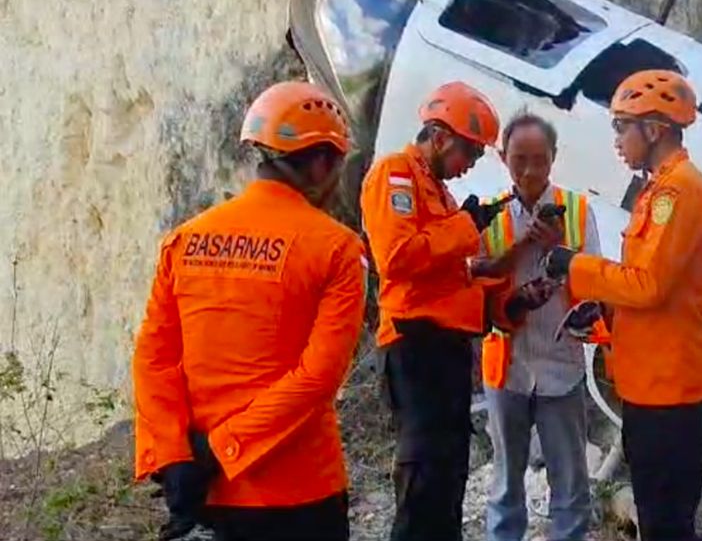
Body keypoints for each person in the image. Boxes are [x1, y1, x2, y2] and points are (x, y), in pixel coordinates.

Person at [132, 81, 366, 541]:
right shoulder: (336, 248)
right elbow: (317, 378)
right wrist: (223, 449)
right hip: (298, 490)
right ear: (321, 162)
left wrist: (176, 456)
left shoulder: (185, 239)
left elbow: (154, 359)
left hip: (208, 493)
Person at [360, 81, 554, 541]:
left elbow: (451, 276)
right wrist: (466, 225)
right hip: (415, 344)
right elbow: (399, 257)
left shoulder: (440, 196)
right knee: (425, 475)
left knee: (448, 475)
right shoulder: (396, 174)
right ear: (441, 137)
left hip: (445, 350)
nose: (468, 167)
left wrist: (512, 294)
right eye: (468, 153)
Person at [544, 70, 702, 541]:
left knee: (665, 525)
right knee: (660, 519)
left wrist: (575, 268)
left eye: (622, 126)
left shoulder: (678, 191)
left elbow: (647, 285)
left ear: (655, 129)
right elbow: (658, 296)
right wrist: (603, 315)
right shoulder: (659, 190)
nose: (617, 139)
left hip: (670, 393)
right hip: (652, 386)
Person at [475, 112, 600, 541]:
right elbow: (476, 286)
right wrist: (520, 250)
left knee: (570, 485)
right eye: (518, 159)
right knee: (506, 482)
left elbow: (595, 286)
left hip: (560, 368)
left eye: (539, 160)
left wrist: (557, 252)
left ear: (554, 158)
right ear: (501, 156)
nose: (529, 171)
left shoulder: (579, 211)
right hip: (506, 369)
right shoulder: (488, 215)